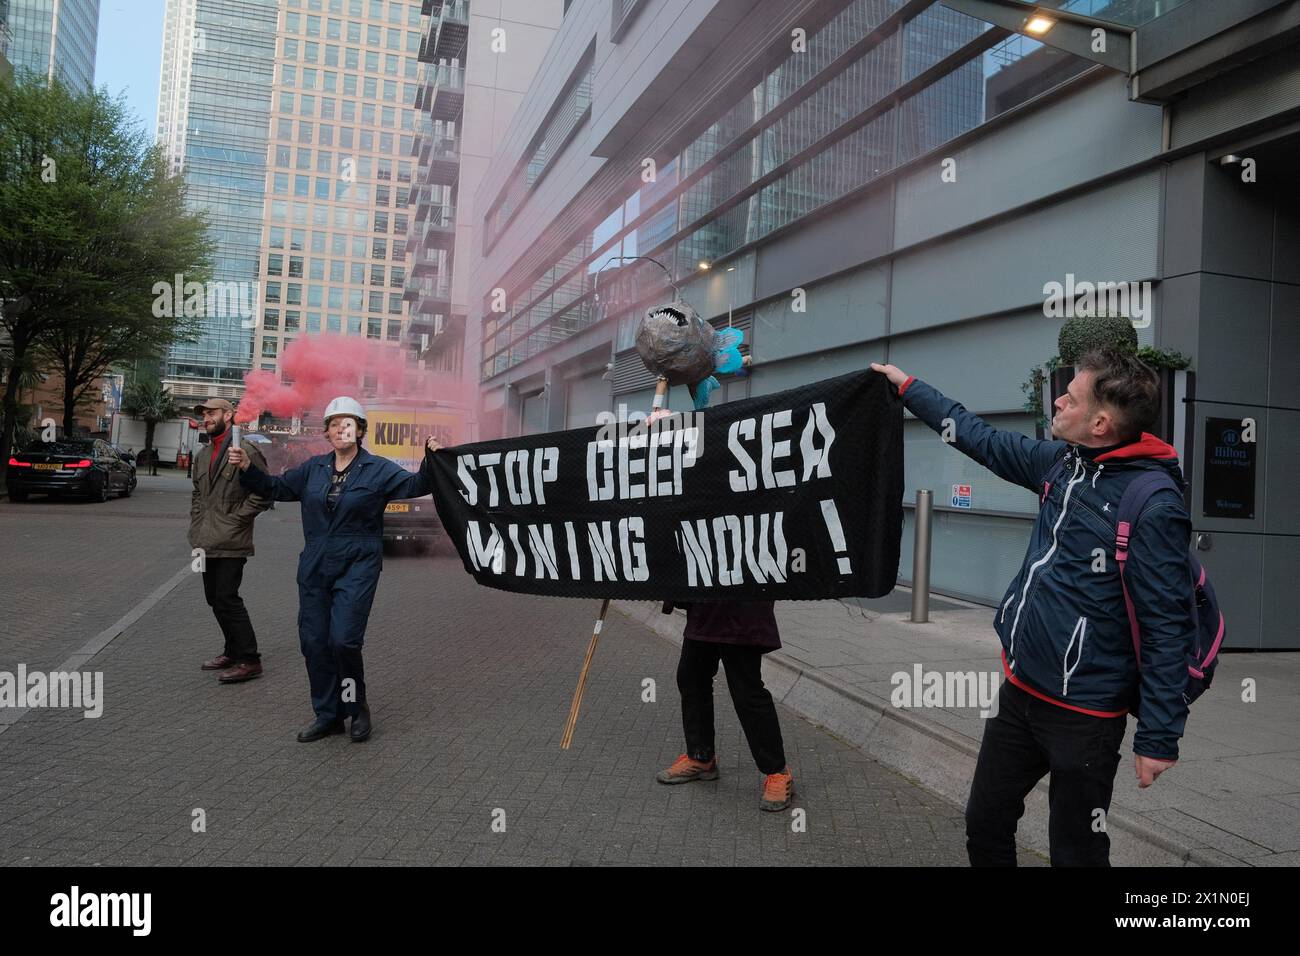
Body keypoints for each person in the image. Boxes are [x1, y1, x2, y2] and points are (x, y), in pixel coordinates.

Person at [871, 350, 1195, 866]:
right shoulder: (1063, 464)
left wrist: (1158, 737)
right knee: (985, 822)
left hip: (1085, 715)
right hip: (1020, 693)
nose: (1059, 399)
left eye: (1072, 396)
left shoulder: (1152, 504)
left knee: (1077, 850)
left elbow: (1167, 628)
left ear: (1101, 422)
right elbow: (980, 438)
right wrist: (908, 387)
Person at [229, 396, 442, 743]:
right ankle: (328, 716)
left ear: (359, 430)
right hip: (315, 565)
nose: (340, 428)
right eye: (333, 423)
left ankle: (355, 707)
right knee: (314, 641)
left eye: (348, 423)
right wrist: (246, 470)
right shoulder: (314, 468)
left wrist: (432, 458)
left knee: (343, 640)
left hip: (358, 563)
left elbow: (417, 486)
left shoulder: (379, 469)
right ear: (326, 432)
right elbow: (276, 487)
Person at [656, 600, 795, 811]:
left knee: (746, 692)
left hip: (741, 607)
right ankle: (701, 757)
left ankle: (777, 772)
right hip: (704, 607)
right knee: (691, 678)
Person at [189, 398, 272, 684]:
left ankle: (250, 659)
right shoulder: (202, 454)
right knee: (214, 598)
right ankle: (231, 650)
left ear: (228, 414)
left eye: (212, 413)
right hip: (204, 540)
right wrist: (196, 523)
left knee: (227, 598)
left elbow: (264, 491)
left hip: (231, 539)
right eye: (204, 414)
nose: (206, 418)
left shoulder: (244, 450)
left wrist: (238, 519)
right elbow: (198, 493)